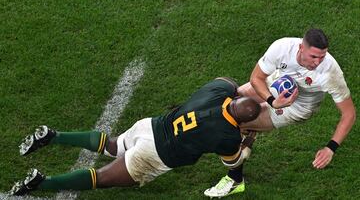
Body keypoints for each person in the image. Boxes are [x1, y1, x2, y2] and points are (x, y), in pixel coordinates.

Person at [9, 77, 261, 196]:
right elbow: (233, 161)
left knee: (111, 145)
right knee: (102, 178)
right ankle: (41, 183)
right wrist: (248, 141)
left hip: (150, 127)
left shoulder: (218, 92)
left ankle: (53, 135)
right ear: (241, 122)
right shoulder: (227, 136)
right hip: (155, 155)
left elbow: (226, 80)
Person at [204, 28, 356, 198]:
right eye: (313, 56)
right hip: (279, 82)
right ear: (301, 48)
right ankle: (249, 135)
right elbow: (256, 78)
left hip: (297, 108)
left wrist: (330, 148)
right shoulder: (282, 48)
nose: (317, 62)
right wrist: (272, 101)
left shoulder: (330, 73)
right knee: (234, 98)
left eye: (322, 57)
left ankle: (235, 180)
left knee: (233, 121)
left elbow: (349, 113)